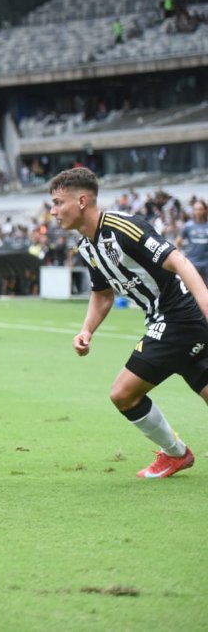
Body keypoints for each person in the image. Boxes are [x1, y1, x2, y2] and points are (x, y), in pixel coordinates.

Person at [49, 167, 208, 478]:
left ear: (82, 201)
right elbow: (102, 294)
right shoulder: (87, 245)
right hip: (171, 321)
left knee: (123, 393)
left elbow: (179, 261)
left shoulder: (124, 228)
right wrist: (87, 330)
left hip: (178, 318)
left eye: (58, 203)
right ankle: (175, 454)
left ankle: (175, 454)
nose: (53, 212)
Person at [175, 199, 208, 285]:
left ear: (205, 210)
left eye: (200, 209)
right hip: (193, 262)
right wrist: (180, 259)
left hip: (206, 263)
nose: (198, 212)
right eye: (195, 209)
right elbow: (178, 242)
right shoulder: (188, 226)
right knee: (193, 288)